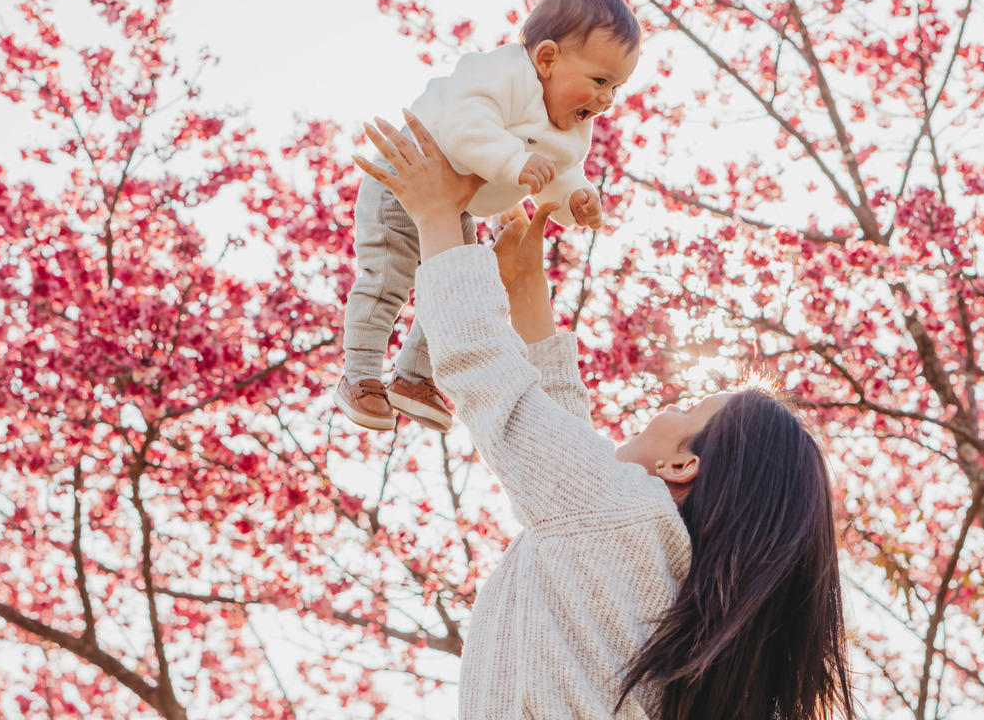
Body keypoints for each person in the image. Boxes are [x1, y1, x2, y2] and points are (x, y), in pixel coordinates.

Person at [353, 112, 856, 719]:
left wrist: (437, 217)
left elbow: (499, 391)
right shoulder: (663, 575)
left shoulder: (621, 515)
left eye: (692, 407)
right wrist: (528, 297)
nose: (671, 405)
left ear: (682, 463)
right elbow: (565, 461)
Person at [335, 0, 641, 434]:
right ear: (548, 58)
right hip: (405, 178)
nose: (606, 100)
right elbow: (465, 125)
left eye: (616, 88)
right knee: (388, 279)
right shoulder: (502, 74)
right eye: (600, 80)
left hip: (455, 206)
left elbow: (558, 174)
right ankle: (359, 375)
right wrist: (514, 160)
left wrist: (574, 201)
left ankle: (413, 377)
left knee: (457, 285)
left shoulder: (572, 130)